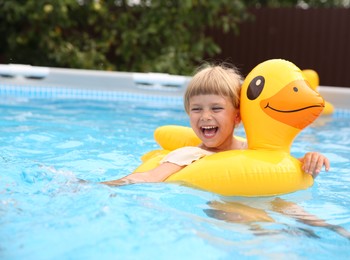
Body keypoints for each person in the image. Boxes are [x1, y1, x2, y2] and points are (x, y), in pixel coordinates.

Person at [101, 63, 330, 186]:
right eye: (196, 109)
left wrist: (309, 161)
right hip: (221, 209)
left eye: (216, 108)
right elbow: (151, 177)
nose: (205, 116)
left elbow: (281, 163)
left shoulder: (249, 148)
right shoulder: (189, 154)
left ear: (237, 117)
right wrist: (105, 185)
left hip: (266, 198)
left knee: (303, 218)